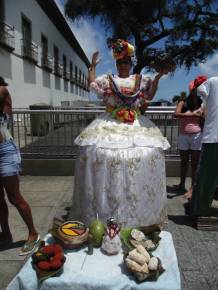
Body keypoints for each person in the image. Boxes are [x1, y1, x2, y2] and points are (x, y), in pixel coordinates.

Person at [69, 39, 170, 227]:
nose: (123, 65)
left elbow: (149, 96)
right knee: (97, 152)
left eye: (126, 62)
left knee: (143, 154)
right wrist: (92, 66)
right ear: (116, 64)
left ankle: (136, 208)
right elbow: (92, 84)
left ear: (130, 64)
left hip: (135, 123)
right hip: (110, 121)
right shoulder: (108, 80)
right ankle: (105, 207)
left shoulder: (139, 80)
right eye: (120, 62)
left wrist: (156, 78)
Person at [0, 76, 40, 255]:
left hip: (5, 152)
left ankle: (33, 233)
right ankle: (6, 235)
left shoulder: (2, 89)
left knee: (14, 197)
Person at [173, 76, 207, 199]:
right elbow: (175, 114)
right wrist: (192, 114)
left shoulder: (203, 103)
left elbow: (205, 117)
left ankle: (192, 188)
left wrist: (202, 115)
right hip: (183, 135)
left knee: (194, 163)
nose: (195, 91)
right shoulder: (183, 102)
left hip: (197, 135)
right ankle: (181, 185)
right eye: (194, 89)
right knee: (183, 162)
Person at [190, 76, 218, 217]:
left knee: (208, 177)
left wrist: (204, 107)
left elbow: (200, 90)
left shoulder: (213, 81)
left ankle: (201, 210)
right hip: (213, 136)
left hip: (213, 137)